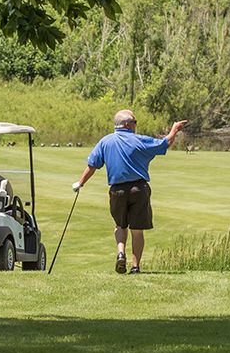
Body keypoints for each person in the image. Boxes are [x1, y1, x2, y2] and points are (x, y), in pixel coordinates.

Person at [75, 109, 188, 273]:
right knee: (137, 230)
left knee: (120, 225)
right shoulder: (138, 140)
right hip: (138, 189)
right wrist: (175, 129)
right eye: (135, 122)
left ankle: (121, 253)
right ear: (127, 124)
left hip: (117, 190)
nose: (136, 125)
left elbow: (92, 165)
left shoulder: (105, 141)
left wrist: (80, 183)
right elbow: (164, 144)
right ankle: (135, 267)